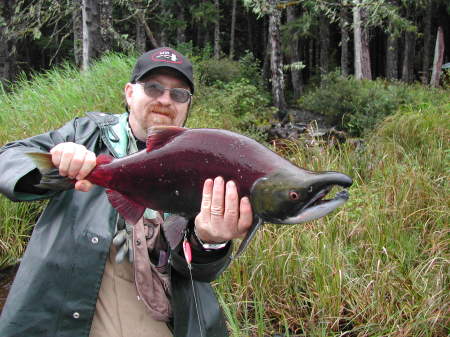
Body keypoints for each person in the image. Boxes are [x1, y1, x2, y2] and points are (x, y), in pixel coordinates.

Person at [0, 47, 253, 337]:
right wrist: (58, 166)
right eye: (153, 87)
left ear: (187, 105)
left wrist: (211, 243)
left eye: (179, 94)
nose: (165, 100)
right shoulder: (85, 134)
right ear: (130, 93)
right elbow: (8, 159)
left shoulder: (203, 162)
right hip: (70, 304)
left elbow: (198, 272)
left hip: (163, 307)